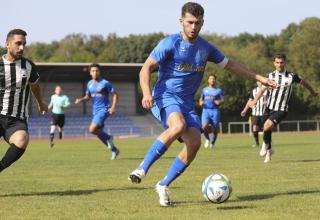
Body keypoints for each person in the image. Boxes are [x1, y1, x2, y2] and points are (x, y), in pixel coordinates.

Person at [128, 2, 276, 207]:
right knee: (178, 126)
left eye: (197, 23)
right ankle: (142, 168)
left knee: (195, 143)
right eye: (189, 22)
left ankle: (163, 185)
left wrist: (259, 78)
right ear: (181, 21)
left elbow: (231, 65)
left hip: (187, 103)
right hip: (164, 96)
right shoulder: (169, 43)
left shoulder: (206, 48)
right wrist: (146, 92)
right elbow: (145, 69)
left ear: (202, 23)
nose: (193, 27)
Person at [249, 54, 318, 163]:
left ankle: (265, 146)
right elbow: (261, 90)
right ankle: (269, 151)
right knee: (266, 129)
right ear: (274, 63)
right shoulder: (270, 76)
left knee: (267, 126)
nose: (279, 64)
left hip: (281, 109)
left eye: (281, 62)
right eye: (277, 62)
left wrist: (313, 92)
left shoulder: (291, 76)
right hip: (268, 108)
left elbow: (304, 82)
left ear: (284, 63)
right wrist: (254, 101)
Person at [0, 29, 48, 173]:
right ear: (7, 44)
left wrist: (41, 103)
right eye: (18, 43)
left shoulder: (28, 66)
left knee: (22, 139)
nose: (22, 47)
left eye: (24, 44)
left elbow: (35, 86)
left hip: (16, 118)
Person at [75, 63, 120, 160]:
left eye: (97, 71)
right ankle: (114, 150)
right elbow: (88, 97)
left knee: (92, 129)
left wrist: (113, 107)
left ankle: (109, 137)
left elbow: (115, 95)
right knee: (98, 133)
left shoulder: (105, 83)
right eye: (93, 71)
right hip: (95, 111)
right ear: (90, 73)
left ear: (99, 72)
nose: (95, 72)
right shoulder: (89, 84)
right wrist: (81, 100)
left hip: (104, 109)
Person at [199, 74, 224, 149]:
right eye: (210, 79)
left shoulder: (218, 90)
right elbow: (201, 99)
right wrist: (201, 102)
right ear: (208, 80)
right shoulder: (204, 89)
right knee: (204, 127)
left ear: (215, 80)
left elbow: (222, 100)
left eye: (213, 79)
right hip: (206, 110)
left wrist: (219, 102)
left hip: (215, 111)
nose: (212, 80)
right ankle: (207, 139)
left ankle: (212, 143)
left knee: (215, 128)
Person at [240, 81, 267, 147]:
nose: (260, 83)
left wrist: (267, 102)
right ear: (257, 83)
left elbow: (272, 99)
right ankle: (257, 143)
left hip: (265, 112)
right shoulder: (254, 91)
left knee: (266, 127)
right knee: (255, 127)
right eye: (258, 81)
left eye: (261, 81)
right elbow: (249, 101)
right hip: (255, 112)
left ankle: (266, 142)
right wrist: (245, 110)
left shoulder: (267, 90)